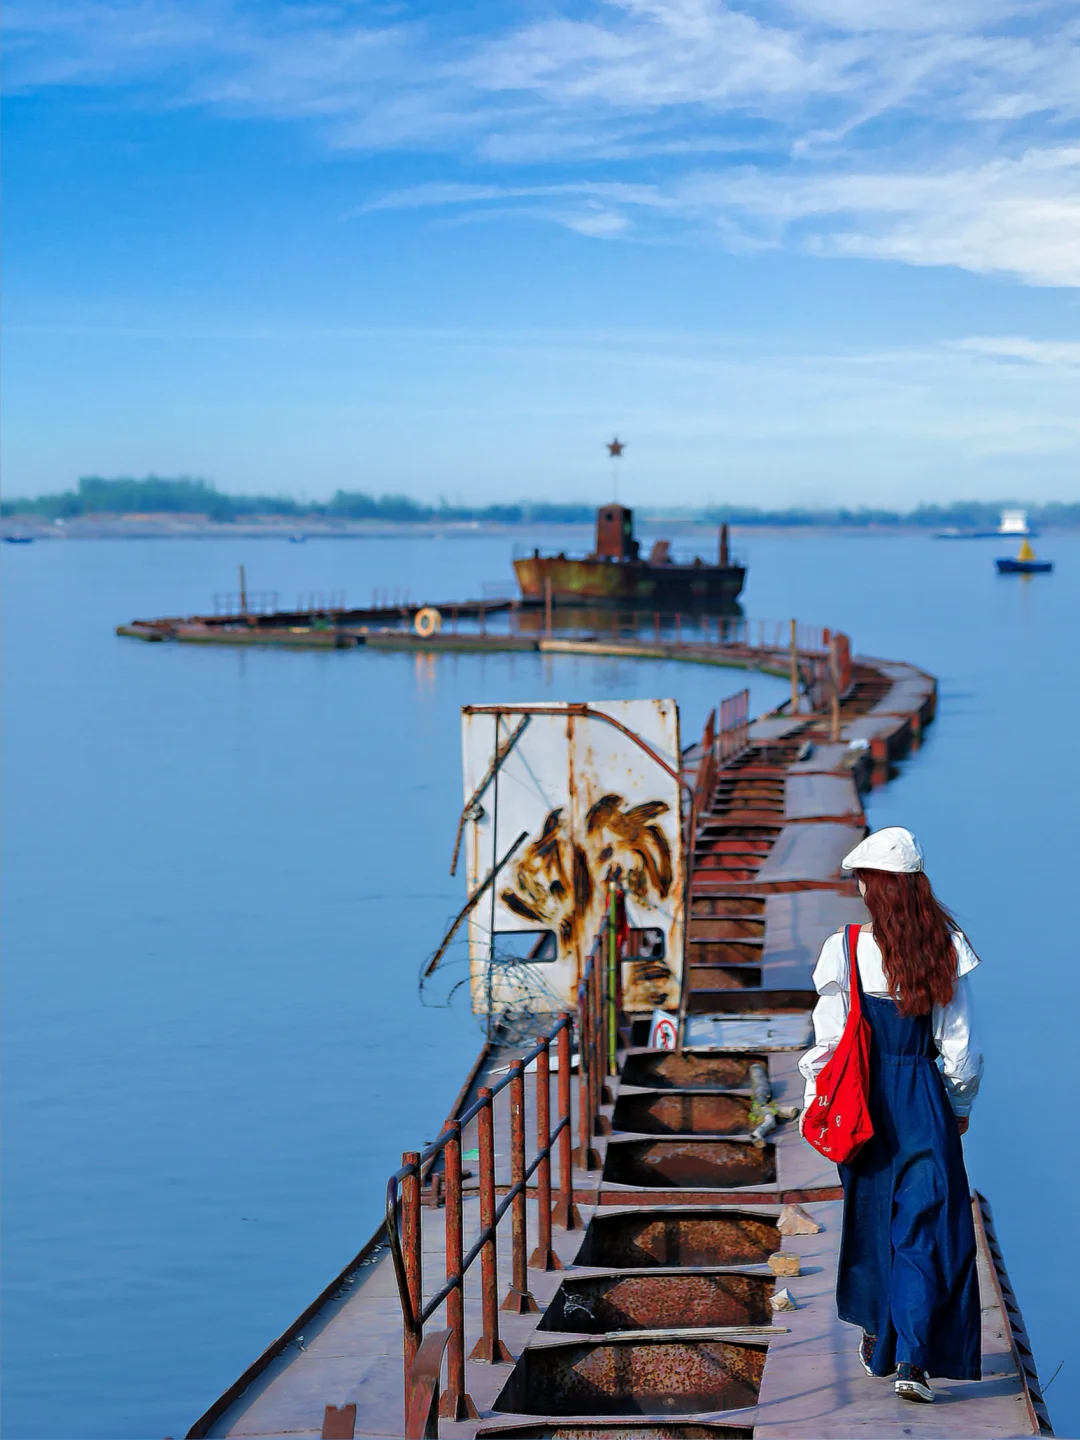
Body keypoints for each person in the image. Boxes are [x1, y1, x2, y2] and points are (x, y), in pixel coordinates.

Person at [799, 826, 983, 1404]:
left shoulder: (847, 946)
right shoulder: (944, 944)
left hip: (862, 1101)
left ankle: (882, 1339)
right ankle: (912, 1359)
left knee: (874, 1220)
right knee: (925, 1228)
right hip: (922, 1097)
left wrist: (815, 1105)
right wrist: (957, 1107)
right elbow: (961, 1047)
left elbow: (827, 1041)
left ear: (873, 885)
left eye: (860, 878)